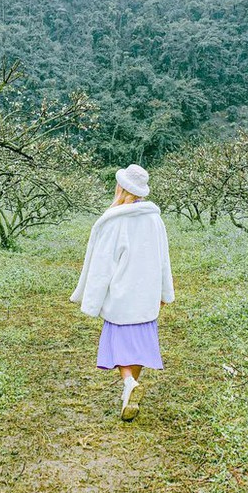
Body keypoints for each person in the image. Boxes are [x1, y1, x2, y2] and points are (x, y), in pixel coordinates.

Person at [70, 163, 175, 421]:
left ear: (121, 188)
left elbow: (101, 265)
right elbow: (164, 259)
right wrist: (164, 292)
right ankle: (130, 390)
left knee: (120, 343)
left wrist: (92, 301)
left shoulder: (114, 221)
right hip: (146, 295)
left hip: (121, 296)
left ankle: (129, 383)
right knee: (139, 343)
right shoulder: (155, 220)